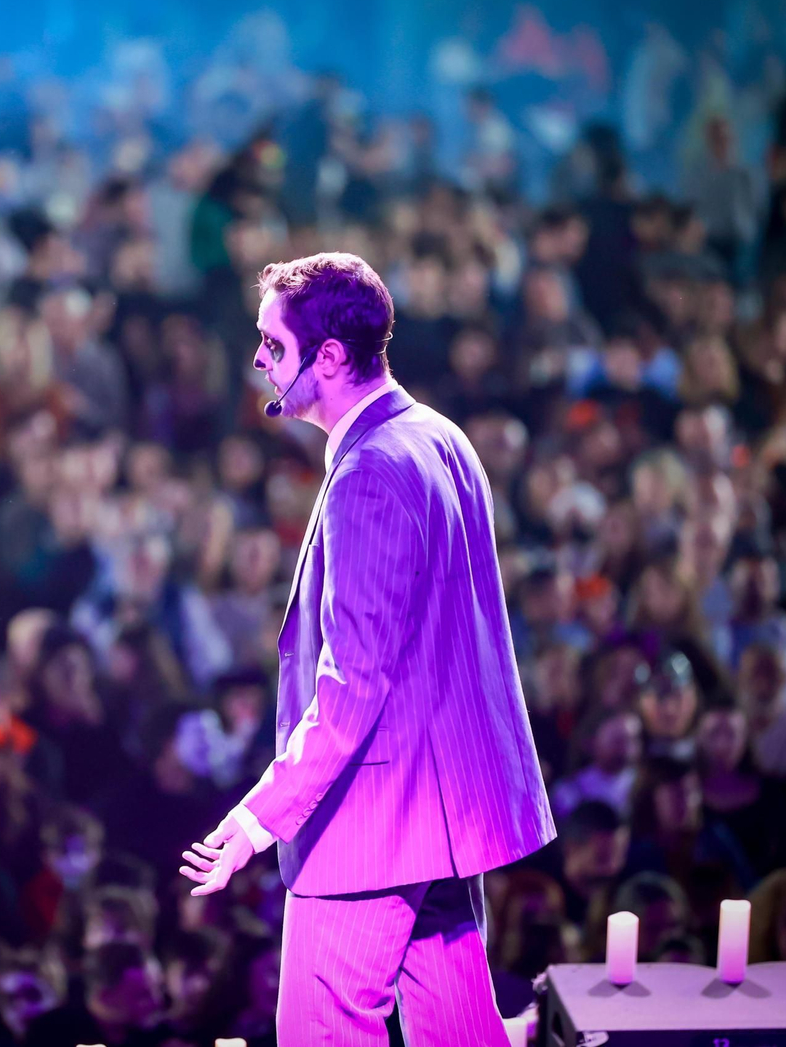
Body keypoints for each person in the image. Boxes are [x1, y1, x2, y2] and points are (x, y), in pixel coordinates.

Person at [179, 253, 554, 1044]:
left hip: (374, 822)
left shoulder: (370, 473)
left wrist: (257, 822)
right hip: (442, 818)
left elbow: (352, 687)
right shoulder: (438, 437)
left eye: (273, 347)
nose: (258, 362)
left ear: (330, 357)